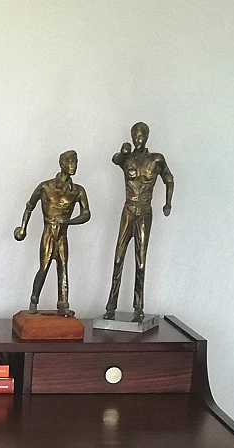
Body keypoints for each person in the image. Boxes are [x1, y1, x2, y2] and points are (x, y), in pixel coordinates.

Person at [104, 122, 174, 319]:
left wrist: (168, 203)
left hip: (144, 210)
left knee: (140, 260)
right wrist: (122, 152)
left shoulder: (156, 159)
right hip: (128, 209)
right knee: (118, 256)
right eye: (135, 134)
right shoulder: (127, 158)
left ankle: (138, 306)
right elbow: (115, 159)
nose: (138, 138)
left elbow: (169, 178)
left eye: (141, 134)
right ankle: (111, 304)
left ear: (147, 136)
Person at [14, 150, 91, 316]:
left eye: (76, 161)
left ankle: (63, 304)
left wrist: (69, 221)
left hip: (63, 234)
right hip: (48, 233)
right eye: (71, 161)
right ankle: (34, 300)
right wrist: (23, 228)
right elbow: (30, 206)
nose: (74, 165)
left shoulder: (78, 191)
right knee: (44, 267)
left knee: (63, 268)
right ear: (62, 164)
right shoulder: (45, 187)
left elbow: (86, 214)